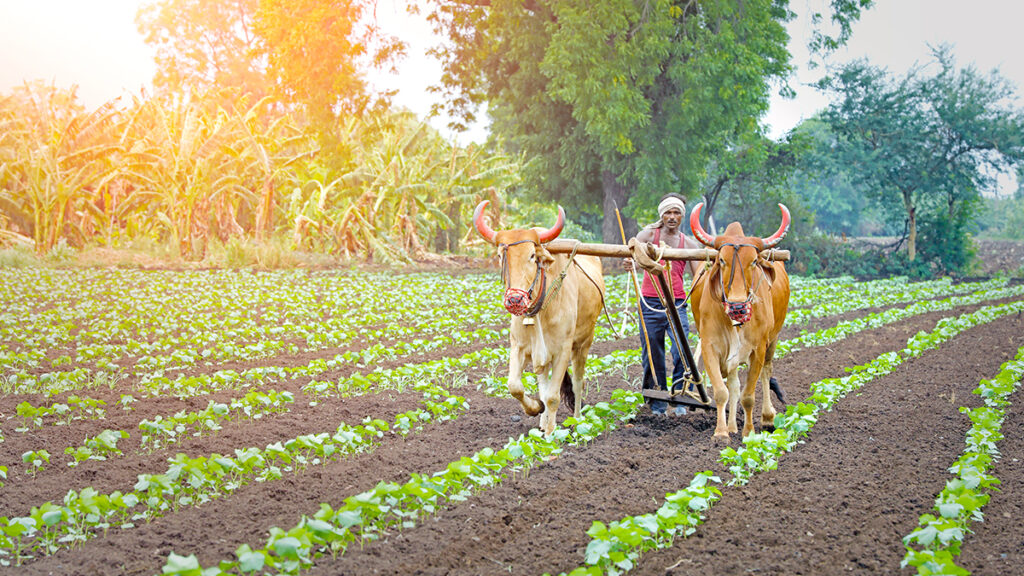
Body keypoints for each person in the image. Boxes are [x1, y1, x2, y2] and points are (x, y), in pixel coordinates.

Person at [623, 194, 702, 415]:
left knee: (682, 351)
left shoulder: (689, 243)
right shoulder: (647, 235)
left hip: (677, 302)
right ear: (662, 215)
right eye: (668, 212)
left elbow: (699, 274)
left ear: (682, 217)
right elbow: (635, 258)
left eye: (676, 213)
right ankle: (657, 402)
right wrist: (631, 264)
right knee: (651, 352)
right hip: (649, 303)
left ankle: (679, 399)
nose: (672, 217)